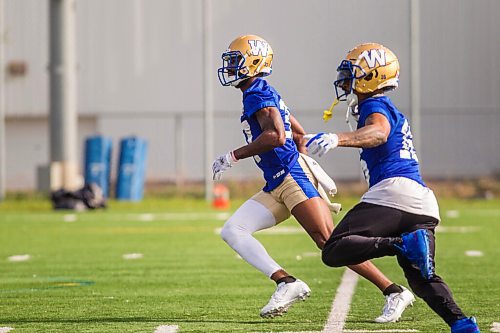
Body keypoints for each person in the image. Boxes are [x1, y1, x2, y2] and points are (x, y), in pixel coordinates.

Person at [213, 35, 414, 322]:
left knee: (329, 242)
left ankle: (394, 290)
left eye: (235, 60)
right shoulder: (260, 90)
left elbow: (277, 135)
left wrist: (233, 155)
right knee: (234, 230)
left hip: (291, 178)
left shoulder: (257, 92)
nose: (230, 66)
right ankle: (286, 282)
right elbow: (296, 131)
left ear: (254, 63)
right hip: (277, 182)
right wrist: (303, 155)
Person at [305, 42, 480, 333]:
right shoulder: (380, 105)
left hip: (394, 192)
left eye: (352, 71)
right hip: (420, 201)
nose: (344, 77)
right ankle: (461, 324)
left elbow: (378, 132)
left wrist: (338, 138)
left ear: (371, 76)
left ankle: (401, 244)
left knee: (334, 249)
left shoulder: (374, 104)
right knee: (421, 279)